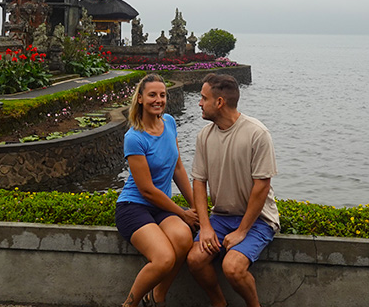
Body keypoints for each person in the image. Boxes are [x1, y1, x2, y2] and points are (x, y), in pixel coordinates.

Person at [187, 73, 279, 307]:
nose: (199, 103)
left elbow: (262, 186)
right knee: (196, 259)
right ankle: (220, 304)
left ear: (219, 102)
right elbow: (199, 181)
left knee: (233, 268)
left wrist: (242, 231)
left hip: (258, 220)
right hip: (221, 218)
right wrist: (206, 226)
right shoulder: (204, 136)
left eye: (203, 98)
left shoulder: (257, 133)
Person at [116, 73, 198, 307]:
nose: (158, 99)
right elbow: (147, 190)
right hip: (134, 207)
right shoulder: (134, 137)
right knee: (163, 259)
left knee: (183, 239)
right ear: (140, 98)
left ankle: (157, 296)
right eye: (152, 95)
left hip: (161, 208)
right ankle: (129, 304)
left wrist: (195, 208)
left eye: (162, 95)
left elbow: (179, 168)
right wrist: (182, 213)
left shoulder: (169, 123)